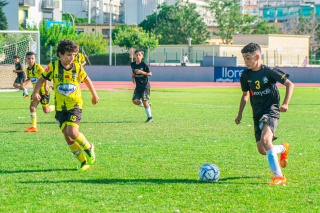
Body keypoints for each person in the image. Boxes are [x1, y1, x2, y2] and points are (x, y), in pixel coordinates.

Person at [32, 39, 99, 171]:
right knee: (68, 138)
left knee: (72, 132)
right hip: (60, 107)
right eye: (69, 54)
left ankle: (89, 147)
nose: (72, 57)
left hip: (75, 105)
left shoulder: (77, 67)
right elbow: (41, 80)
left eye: (74, 54)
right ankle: (84, 162)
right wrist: (35, 93)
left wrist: (94, 94)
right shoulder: (53, 66)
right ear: (60, 54)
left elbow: (86, 79)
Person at [235, 43, 294, 185]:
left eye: (248, 58)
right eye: (244, 58)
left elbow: (289, 84)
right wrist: (239, 114)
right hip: (257, 112)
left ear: (257, 57)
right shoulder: (245, 75)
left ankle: (279, 177)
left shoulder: (269, 72)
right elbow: (245, 95)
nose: (246, 61)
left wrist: (285, 103)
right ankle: (283, 148)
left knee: (267, 140)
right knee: (262, 149)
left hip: (271, 110)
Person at [22, 52, 55, 132]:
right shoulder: (27, 69)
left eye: (32, 58)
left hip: (43, 91)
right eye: (29, 58)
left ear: (35, 59)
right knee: (32, 107)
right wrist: (22, 84)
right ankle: (34, 127)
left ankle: (56, 106)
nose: (31, 60)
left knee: (46, 110)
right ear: (26, 60)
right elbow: (29, 79)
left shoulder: (38, 67)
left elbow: (45, 76)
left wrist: (46, 88)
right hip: (35, 92)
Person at [131, 50, 153, 123]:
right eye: (136, 55)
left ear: (142, 56)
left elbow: (150, 74)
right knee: (134, 101)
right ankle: (146, 105)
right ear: (134, 56)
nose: (138, 56)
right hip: (138, 86)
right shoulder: (133, 64)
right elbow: (133, 71)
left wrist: (141, 72)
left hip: (145, 86)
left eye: (139, 55)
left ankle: (150, 118)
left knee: (144, 101)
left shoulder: (144, 64)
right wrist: (133, 77)